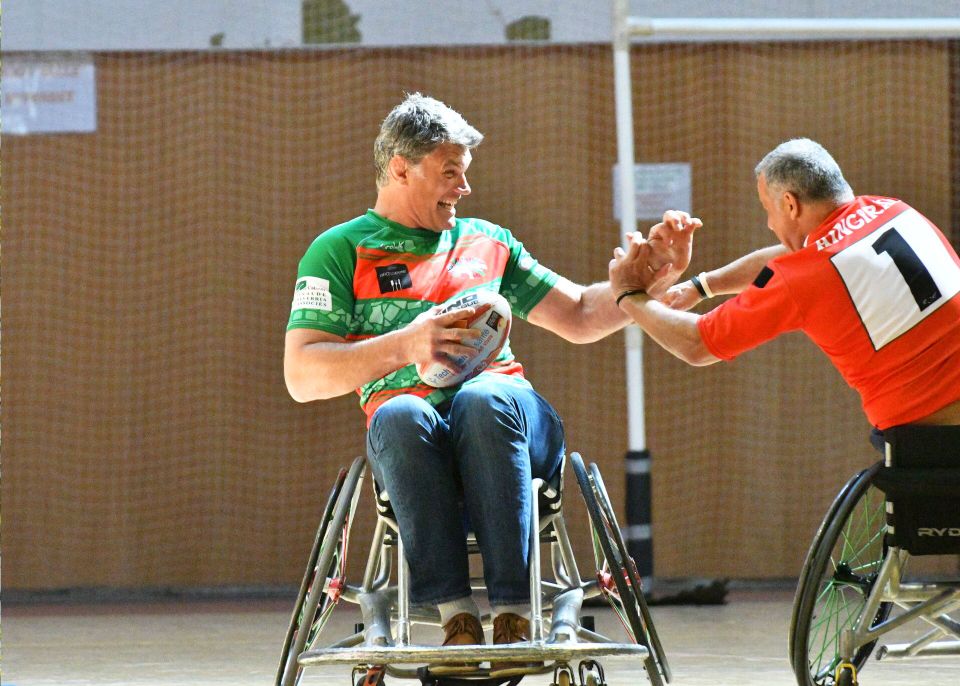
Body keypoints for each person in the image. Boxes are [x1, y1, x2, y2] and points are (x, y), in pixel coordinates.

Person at [284, 92, 698, 668]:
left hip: (509, 425)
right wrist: (407, 343)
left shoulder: (489, 241)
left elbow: (579, 314)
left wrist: (643, 283)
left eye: (465, 172)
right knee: (400, 413)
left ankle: (514, 612)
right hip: (413, 440)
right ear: (400, 168)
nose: (463, 187)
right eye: (449, 171)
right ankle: (455, 616)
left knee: (484, 398)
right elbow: (302, 375)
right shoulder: (339, 251)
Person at [609, 137, 960, 440]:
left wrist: (629, 294)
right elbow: (809, 256)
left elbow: (698, 344)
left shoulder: (806, 277)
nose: (769, 224)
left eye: (768, 209)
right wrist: (703, 286)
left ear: (790, 204)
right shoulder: (894, 210)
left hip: (931, 439)